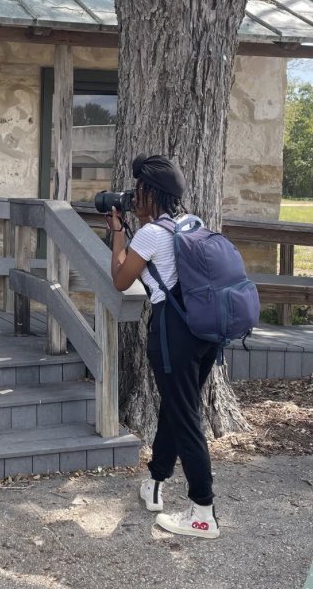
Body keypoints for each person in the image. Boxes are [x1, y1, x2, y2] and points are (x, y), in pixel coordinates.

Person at [106, 154, 221, 539]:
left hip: (173, 332)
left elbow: (121, 279)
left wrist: (118, 233)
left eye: (138, 191)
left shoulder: (153, 234)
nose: (133, 198)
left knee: (186, 418)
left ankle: (203, 512)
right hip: (204, 331)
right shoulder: (189, 225)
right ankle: (155, 483)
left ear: (152, 193)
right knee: (175, 408)